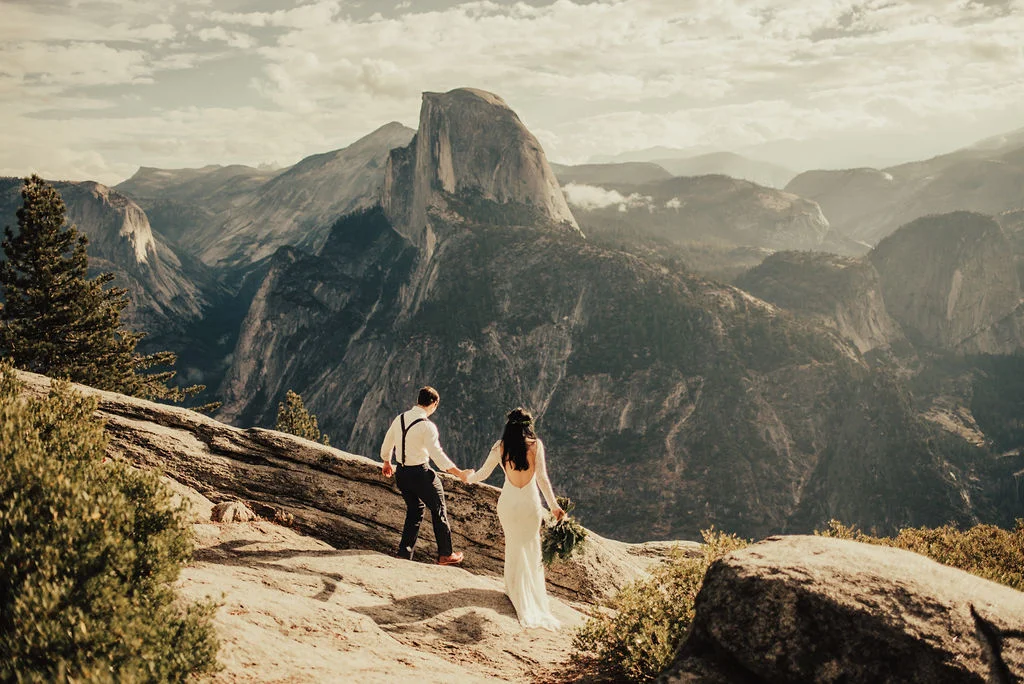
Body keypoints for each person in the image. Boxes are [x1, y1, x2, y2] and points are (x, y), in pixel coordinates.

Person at [467, 407, 564, 629]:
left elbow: (483, 474)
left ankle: (513, 590)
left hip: (509, 504)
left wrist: (467, 477)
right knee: (531, 546)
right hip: (530, 504)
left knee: (513, 545)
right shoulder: (536, 446)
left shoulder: (500, 447)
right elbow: (542, 479)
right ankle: (531, 593)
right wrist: (554, 506)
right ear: (528, 426)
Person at [380, 386, 472, 565]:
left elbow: (388, 442)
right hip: (420, 474)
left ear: (418, 400)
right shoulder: (427, 426)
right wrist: (459, 473)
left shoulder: (400, 418)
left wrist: (386, 461)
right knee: (439, 510)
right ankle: (446, 554)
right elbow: (437, 455)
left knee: (414, 511)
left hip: (402, 473)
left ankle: (404, 553)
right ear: (434, 404)